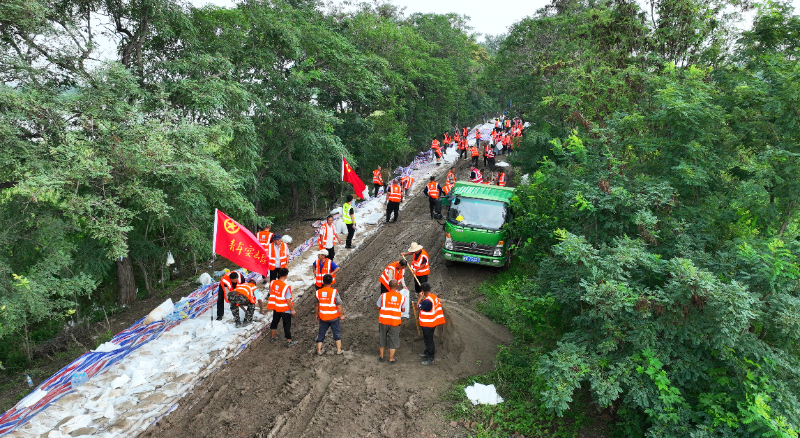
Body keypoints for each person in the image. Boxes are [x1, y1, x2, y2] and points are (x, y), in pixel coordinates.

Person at [417, 282, 445, 365]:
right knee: (428, 339)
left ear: (422, 291)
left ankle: (430, 358)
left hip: (428, 324)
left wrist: (420, 298)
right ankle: (427, 352)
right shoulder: (434, 297)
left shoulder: (427, 301)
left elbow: (416, 307)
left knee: (429, 341)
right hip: (432, 322)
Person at [377, 279, 405, 363]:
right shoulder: (401, 297)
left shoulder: (383, 296)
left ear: (389, 286)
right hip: (395, 322)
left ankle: (381, 356)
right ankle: (391, 358)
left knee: (382, 338)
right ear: (397, 286)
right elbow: (403, 309)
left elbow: (378, 307)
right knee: (393, 340)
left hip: (383, 321)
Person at [267, 268, 297, 346]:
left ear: (279, 274)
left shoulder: (272, 283)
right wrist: (292, 309)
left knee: (274, 322)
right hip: (285, 309)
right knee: (286, 325)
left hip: (276, 307)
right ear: (286, 275)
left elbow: (271, 293)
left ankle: (272, 337)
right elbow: (288, 300)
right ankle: (288, 341)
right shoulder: (286, 287)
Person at [315, 274, 344, 355]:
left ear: (323, 282)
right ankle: (339, 350)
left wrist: (317, 314)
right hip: (334, 317)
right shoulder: (334, 292)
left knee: (321, 333)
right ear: (331, 282)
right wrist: (341, 315)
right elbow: (339, 305)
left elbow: (316, 305)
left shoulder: (318, 292)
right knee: (336, 333)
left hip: (323, 317)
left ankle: (319, 350)